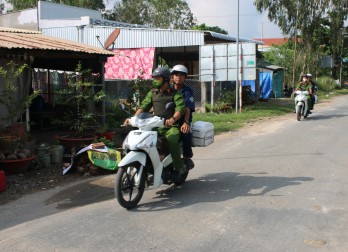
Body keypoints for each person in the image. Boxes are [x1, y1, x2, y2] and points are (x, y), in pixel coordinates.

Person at [123, 67, 186, 179]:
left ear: (166, 80)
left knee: (172, 140)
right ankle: (149, 165)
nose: (155, 80)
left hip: (170, 126)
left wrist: (172, 119)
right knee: (143, 141)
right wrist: (133, 118)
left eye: (158, 78)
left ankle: (179, 167)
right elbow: (144, 106)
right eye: (154, 78)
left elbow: (180, 109)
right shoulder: (152, 93)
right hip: (155, 125)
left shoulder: (175, 94)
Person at [171, 64, 195, 169]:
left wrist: (186, 122)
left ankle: (187, 157)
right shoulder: (167, 88)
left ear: (185, 77)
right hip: (168, 118)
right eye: (176, 74)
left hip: (182, 118)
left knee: (185, 132)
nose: (178, 77)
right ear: (172, 76)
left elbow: (188, 108)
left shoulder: (187, 90)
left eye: (181, 75)